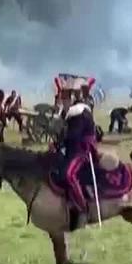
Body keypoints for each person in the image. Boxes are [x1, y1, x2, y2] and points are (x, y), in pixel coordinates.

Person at [55, 78, 98, 231]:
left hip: (82, 150)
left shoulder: (81, 112)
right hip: (72, 148)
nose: (63, 101)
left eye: (66, 98)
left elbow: (74, 135)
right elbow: (64, 134)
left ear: (73, 97)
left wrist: (61, 144)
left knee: (69, 174)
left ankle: (83, 209)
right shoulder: (69, 113)